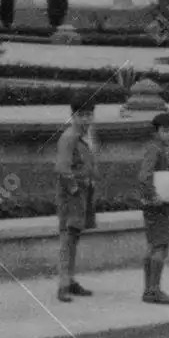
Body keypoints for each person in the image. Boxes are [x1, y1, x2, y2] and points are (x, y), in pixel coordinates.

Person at [138, 113, 169, 305]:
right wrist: (152, 195)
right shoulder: (155, 150)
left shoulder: (165, 150)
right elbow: (143, 176)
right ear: (156, 132)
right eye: (165, 130)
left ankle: (150, 288)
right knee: (160, 246)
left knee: (155, 245)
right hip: (158, 205)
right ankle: (153, 289)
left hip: (165, 203)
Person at [54, 103, 99, 301]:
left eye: (89, 115)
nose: (86, 120)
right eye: (81, 115)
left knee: (74, 236)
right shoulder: (69, 137)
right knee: (68, 237)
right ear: (73, 116)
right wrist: (73, 189)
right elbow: (62, 168)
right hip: (72, 194)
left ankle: (70, 280)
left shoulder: (87, 136)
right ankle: (63, 284)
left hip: (84, 193)